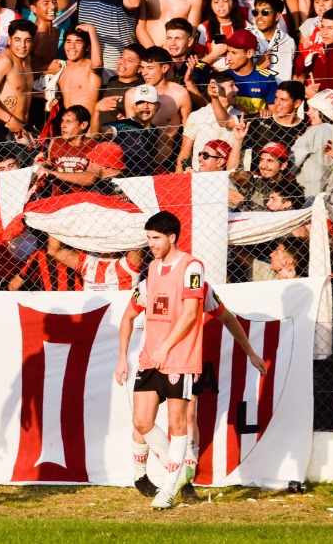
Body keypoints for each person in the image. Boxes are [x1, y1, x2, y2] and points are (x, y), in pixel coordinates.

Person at [113, 210, 208, 509]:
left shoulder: (193, 267)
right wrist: (123, 359)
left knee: (179, 423)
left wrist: (167, 346)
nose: (150, 244)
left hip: (179, 357)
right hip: (151, 358)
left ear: (172, 237)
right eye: (148, 238)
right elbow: (131, 315)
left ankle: (167, 491)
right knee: (141, 422)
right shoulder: (152, 270)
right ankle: (176, 472)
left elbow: (192, 313)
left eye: (155, 238)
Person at [0, 19, 37, 144]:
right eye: (17, 40)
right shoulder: (5, 62)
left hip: (22, 127)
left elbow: (20, 91)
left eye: (27, 40)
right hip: (3, 129)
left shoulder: (28, 59)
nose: (22, 45)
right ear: (9, 40)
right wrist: (10, 120)